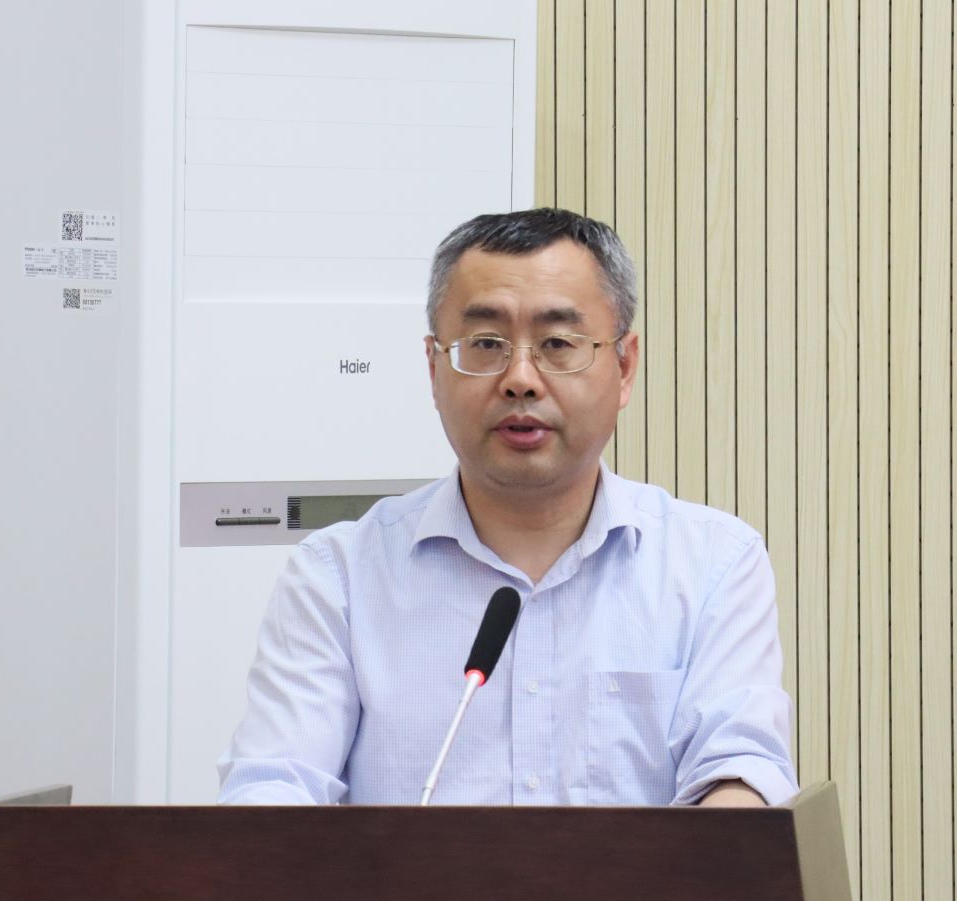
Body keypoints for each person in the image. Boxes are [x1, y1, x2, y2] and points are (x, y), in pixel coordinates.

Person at [218, 208, 797, 809]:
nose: (521, 379)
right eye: (486, 345)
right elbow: (274, 785)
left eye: (558, 344)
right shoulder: (338, 577)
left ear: (624, 367)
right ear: (434, 368)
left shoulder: (712, 563)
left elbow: (740, 767)